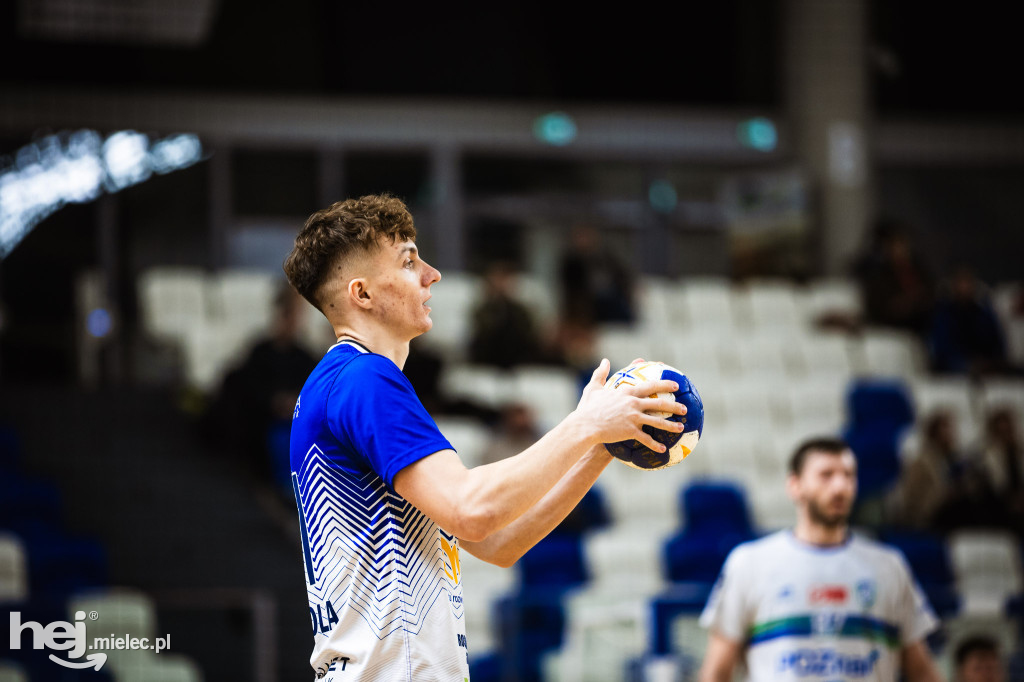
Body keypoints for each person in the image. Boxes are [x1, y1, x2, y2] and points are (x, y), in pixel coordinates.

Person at [281, 194, 685, 681]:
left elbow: (497, 542)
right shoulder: (365, 379)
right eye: (409, 261)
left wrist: (600, 447)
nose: (433, 275)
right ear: (362, 294)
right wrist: (585, 424)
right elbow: (474, 511)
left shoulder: (341, 383)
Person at [698, 437, 943, 682]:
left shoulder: (889, 566)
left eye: (848, 475)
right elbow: (717, 672)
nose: (840, 486)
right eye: (826, 475)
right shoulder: (749, 562)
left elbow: (921, 670)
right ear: (795, 485)